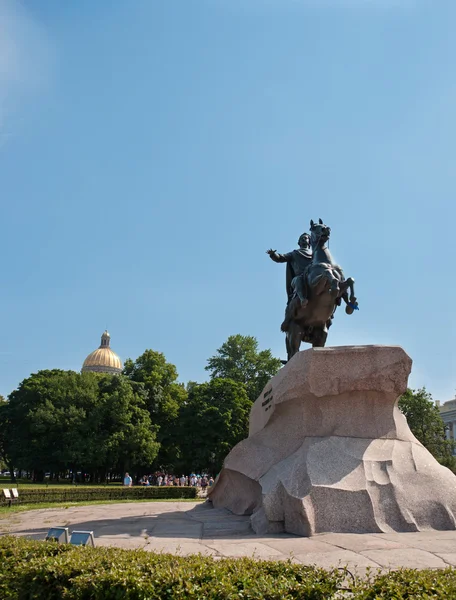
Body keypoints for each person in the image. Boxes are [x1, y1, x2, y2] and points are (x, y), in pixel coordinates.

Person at [267, 233, 312, 307]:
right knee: (297, 280)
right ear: (299, 242)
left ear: (309, 241)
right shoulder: (294, 254)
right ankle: (302, 299)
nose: (303, 239)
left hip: (311, 275)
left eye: (305, 238)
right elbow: (281, 258)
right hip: (300, 277)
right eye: (302, 239)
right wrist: (273, 255)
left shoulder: (314, 254)